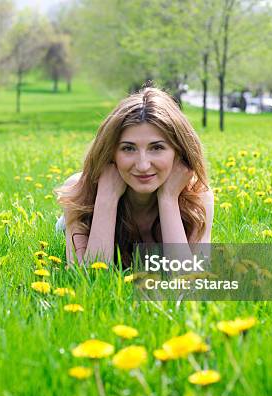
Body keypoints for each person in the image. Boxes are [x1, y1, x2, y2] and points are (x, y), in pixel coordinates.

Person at [55, 87, 214, 268]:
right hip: (85, 209)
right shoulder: (80, 191)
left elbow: (188, 282)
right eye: (128, 148)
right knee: (64, 222)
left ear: (179, 152)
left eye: (157, 148)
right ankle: (62, 224)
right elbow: (91, 279)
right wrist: (107, 198)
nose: (143, 165)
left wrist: (168, 198)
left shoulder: (198, 197)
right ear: (111, 153)